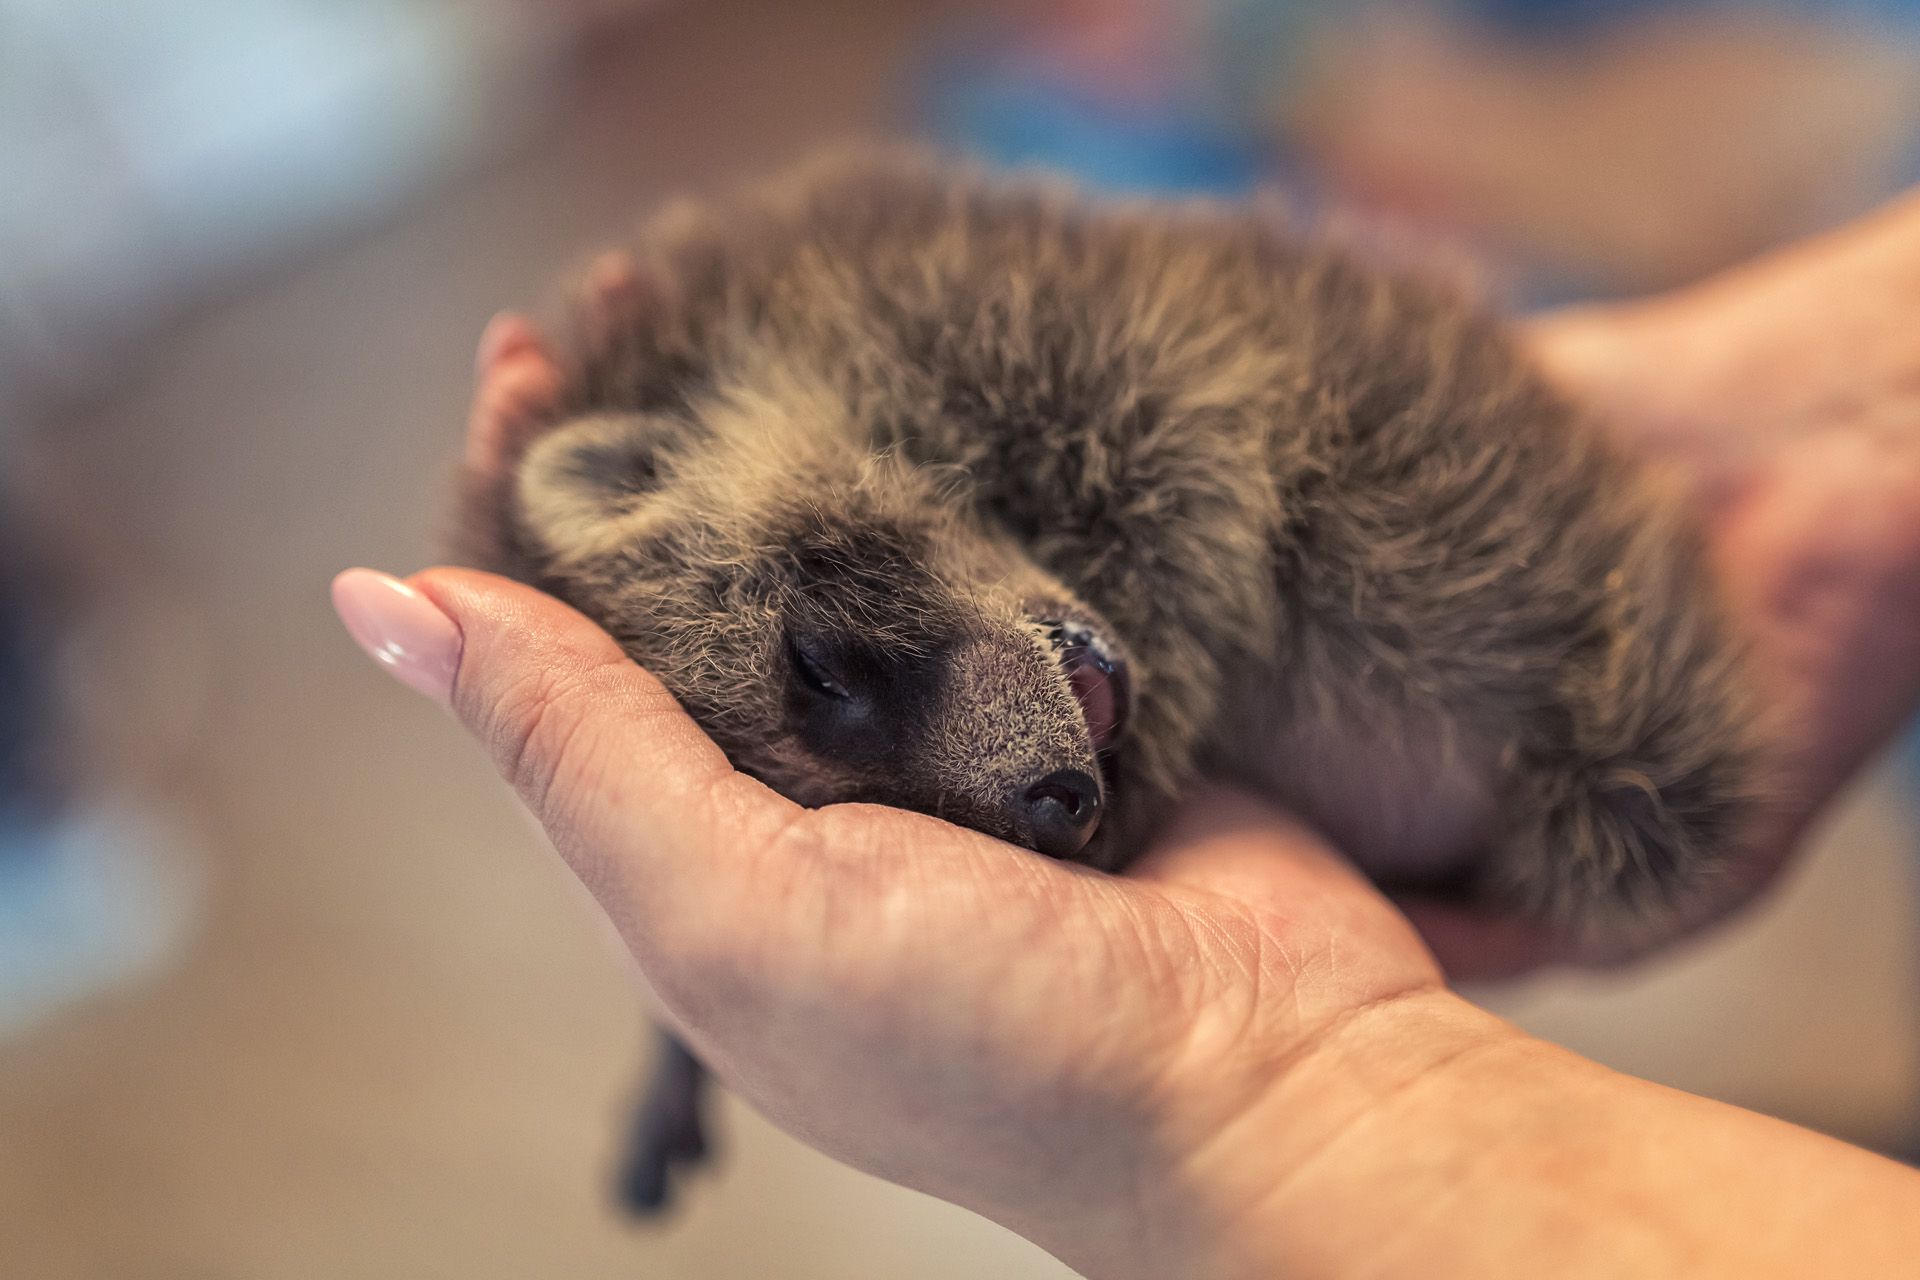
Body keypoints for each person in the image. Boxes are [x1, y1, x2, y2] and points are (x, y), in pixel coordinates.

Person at [331, 189, 1920, 1277]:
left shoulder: (985, 361)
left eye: (841, 671)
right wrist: (697, 1025)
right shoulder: (852, 476)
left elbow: (1194, 463)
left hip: (1595, 715)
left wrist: (1247, 1099)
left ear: (642, 468)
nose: (1023, 786)